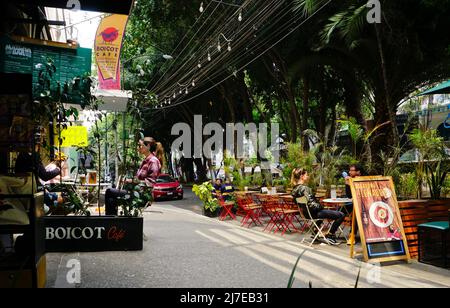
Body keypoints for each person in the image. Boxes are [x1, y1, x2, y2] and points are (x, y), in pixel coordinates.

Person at [105, 138, 161, 216]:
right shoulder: (145, 161)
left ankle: (110, 220)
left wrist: (132, 181)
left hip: (141, 195)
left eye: (140, 146)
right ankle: (112, 220)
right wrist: (128, 180)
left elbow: (150, 183)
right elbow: (138, 179)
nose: (138, 148)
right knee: (111, 196)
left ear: (148, 146)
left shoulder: (153, 161)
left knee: (110, 192)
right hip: (135, 192)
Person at [291, 168, 345, 245]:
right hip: (315, 214)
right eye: (306, 175)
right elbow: (314, 206)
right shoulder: (305, 188)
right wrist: (322, 206)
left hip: (307, 214)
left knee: (325, 212)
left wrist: (302, 214)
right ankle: (330, 235)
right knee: (341, 215)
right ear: (302, 176)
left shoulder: (294, 189)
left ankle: (315, 230)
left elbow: (298, 205)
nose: (308, 176)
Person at [344, 164, 363, 245]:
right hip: (353, 203)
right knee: (341, 211)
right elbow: (349, 196)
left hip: (363, 205)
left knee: (356, 213)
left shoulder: (363, 180)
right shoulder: (351, 179)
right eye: (349, 170)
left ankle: (352, 236)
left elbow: (360, 193)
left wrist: (350, 184)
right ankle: (331, 233)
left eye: (352, 170)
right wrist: (347, 184)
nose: (349, 172)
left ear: (358, 172)